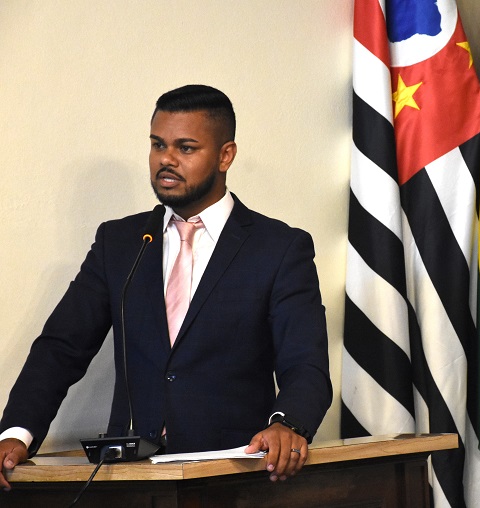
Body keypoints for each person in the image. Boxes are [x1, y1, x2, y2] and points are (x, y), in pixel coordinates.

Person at [0, 84, 332, 490]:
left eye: (186, 148)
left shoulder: (278, 248)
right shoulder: (120, 243)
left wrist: (288, 423)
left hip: (234, 479)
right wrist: (15, 433)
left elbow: (306, 364)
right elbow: (61, 348)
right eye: (158, 145)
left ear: (226, 155)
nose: (166, 160)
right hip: (129, 482)